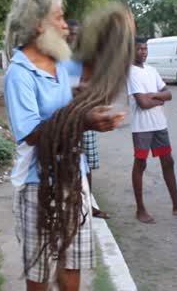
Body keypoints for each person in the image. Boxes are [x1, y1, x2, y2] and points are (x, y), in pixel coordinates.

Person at [3, 0, 126, 290]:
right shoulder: (19, 73)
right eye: (58, 18)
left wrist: (117, 31)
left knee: (72, 265)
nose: (65, 26)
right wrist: (83, 120)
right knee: (40, 271)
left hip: (73, 176)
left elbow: (94, 71)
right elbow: (32, 134)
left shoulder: (57, 62)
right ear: (38, 25)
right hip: (37, 183)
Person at [128, 37, 177, 224]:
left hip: (159, 124)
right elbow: (142, 103)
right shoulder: (130, 72)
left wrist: (155, 96)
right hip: (142, 127)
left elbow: (168, 93)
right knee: (140, 164)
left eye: (145, 48)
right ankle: (140, 209)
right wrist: (159, 99)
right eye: (139, 49)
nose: (143, 52)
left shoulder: (151, 71)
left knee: (168, 162)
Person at [63, 19, 109, 219]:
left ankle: (88, 204)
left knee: (86, 163)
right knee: (66, 161)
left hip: (85, 116)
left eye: (77, 33)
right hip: (63, 118)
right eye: (71, 32)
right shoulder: (57, 59)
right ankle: (70, 203)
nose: (74, 36)